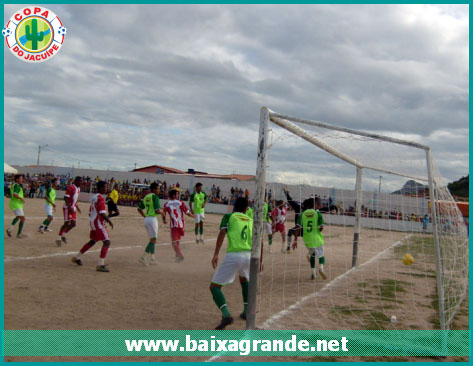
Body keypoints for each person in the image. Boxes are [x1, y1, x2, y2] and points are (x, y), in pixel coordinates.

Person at [210, 197, 252, 330]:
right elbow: (258, 240)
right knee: (244, 280)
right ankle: (246, 312)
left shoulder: (229, 216)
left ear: (234, 206)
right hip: (249, 255)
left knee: (214, 287)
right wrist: (260, 259)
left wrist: (216, 253)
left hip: (235, 254)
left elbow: (223, 232)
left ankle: (226, 315)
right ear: (246, 208)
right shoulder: (250, 220)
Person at [71, 181, 114, 272]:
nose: (106, 189)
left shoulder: (94, 197)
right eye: (105, 187)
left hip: (93, 222)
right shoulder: (101, 198)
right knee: (107, 242)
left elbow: (90, 212)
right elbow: (102, 213)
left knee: (92, 241)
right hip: (98, 223)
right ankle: (100, 265)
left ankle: (76, 257)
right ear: (101, 188)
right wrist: (109, 221)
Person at [163, 188, 194, 262]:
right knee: (177, 240)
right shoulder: (180, 203)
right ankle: (177, 255)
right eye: (177, 194)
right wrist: (194, 216)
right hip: (181, 225)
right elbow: (187, 212)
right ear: (174, 195)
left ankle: (180, 255)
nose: (178, 195)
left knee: (174, 242)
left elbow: (163, 214)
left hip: (174, 225)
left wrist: (164, 220)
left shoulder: (166, 204)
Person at [300, 197, 327, 280]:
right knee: (321, 255)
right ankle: (321, 268)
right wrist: (319, 229)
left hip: (307, 239)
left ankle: (313, 273)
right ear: (315, 205)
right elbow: (321, 227)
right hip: (317, 238)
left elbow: (299, 227)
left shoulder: (302, 214)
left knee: (312, 255)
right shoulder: (317, 214)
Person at [137, 182, 164, 265]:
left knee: (152, 239)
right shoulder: (155, 197)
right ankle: (143, 257)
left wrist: (145, 216)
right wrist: (163, 212)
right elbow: (157, 210)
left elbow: (139, 208)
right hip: (152, 219)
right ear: (154, 189)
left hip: (147, 219)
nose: (159, 190)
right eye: (158, 189)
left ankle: (152, 259)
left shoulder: (146, 197)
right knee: (153, 239)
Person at [56, 176, 82, 246]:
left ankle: (63, 235)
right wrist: (69, 206)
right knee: (66, 223)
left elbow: (75, 199)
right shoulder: (71, 187)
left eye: (81, 181)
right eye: (79, 181)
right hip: (67, 208)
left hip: (73, 208)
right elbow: (65, 198)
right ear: (76, 181)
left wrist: (77, 206)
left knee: (73, 224)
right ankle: (58, 238)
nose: (80, 182)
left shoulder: (78, 189)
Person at [283, 185, 303, 253]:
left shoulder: (298, 207)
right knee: (290, 231)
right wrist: (286, 193)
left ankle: (288, 248)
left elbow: (290, 201)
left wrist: (286, 192)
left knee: (290, 231)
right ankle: (288, 248)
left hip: (303, 229)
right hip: (302, 229)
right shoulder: (300, 207)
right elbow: (290, 201)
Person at [7, 174, 25, 239]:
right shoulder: (17, 186)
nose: (22, 180)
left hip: (15, 203)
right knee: (23, 218)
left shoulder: (14, 185)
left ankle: (9, 229)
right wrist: (21, 198)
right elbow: (15, 194)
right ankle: (19, 234)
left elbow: (10, 194)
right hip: (16, 204)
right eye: (21, 178)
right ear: (17, 179)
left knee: (18, 217)